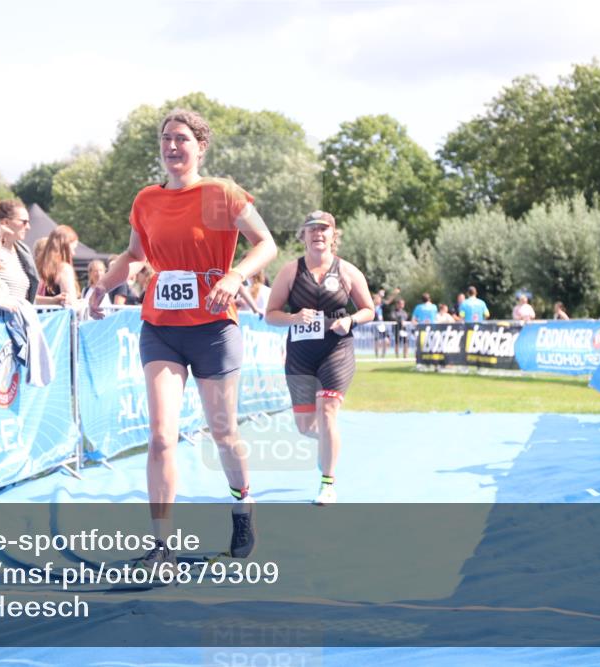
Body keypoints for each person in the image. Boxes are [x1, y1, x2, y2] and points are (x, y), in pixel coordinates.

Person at [87, 108, 277, 565]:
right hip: (161, 329)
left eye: (182, 139)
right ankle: (160, 545)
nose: (173, 146)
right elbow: (134, 255)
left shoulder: (222, 194)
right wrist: (101, 286)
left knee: (223, 431)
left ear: (200, 147)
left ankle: (242, 504)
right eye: (167, 139)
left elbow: (265, 243)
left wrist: (235, 276)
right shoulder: (146, 200)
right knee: (160, 437)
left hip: (213, 328)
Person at [265, 211, 373, 504]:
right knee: (305, 426)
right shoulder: (290, 271)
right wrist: (294, 316)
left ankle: (327, 482)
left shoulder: (348, 271)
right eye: (312, 229)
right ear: (304, 235)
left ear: (333, 235)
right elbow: (270, 315)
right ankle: (328, 443)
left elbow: (369, 309)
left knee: (327, 411)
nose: (318, 234)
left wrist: (350, 321)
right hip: (300, 355)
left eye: (324, 229)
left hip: (335, 351)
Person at [0, 199, 39, 303]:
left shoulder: (23, 252)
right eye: (24, 222)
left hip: (17, 317)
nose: (28, 227)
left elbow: (21, 296)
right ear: (5, 222)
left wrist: (53, 300)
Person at [35, 225, 80, 306]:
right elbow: (70, 303)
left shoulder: (38, 267)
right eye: (72, 248)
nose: (73, 253)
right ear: (64, 247)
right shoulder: (64, 269)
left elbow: (29, 298)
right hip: (59, 317)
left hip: (38, 317)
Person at [372, 293, 389, 358]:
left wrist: (394, 293)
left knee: (386, 341)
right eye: (378, 299)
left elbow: (388, 302)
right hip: (375, 326)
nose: (380, 300)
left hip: (382, 326)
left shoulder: (380, 307)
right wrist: (376, 297)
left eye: (380, 299)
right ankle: (377, 357)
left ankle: (383, 356)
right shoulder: (372, 307)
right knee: (377, 342)